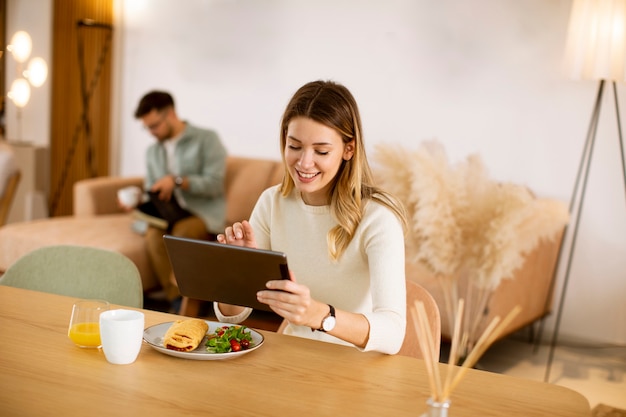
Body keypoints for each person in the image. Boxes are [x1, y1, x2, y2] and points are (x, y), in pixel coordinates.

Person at [216, 80, 408, 354]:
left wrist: (320, 315)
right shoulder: (272, 202)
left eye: (321, 151)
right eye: (294, 146)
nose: (304, 163)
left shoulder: (378, 218)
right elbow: (232, 315)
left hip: (358, 369)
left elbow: (393, 334)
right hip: (294, 357)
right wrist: (238, 272)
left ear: (348, 149)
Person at [127, 91, 227, 310]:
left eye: (154, 125)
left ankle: (190, 301)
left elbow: (214, 185)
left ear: (171, 114)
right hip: (167, 214)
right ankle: (177, 299)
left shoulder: (206, 139)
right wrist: (137, 202)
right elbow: (151, 189)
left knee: (181, 234)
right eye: (147, 128)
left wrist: (179, 181)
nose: (151, 133)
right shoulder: (153, 151)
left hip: (201, 213)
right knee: (153, 236)